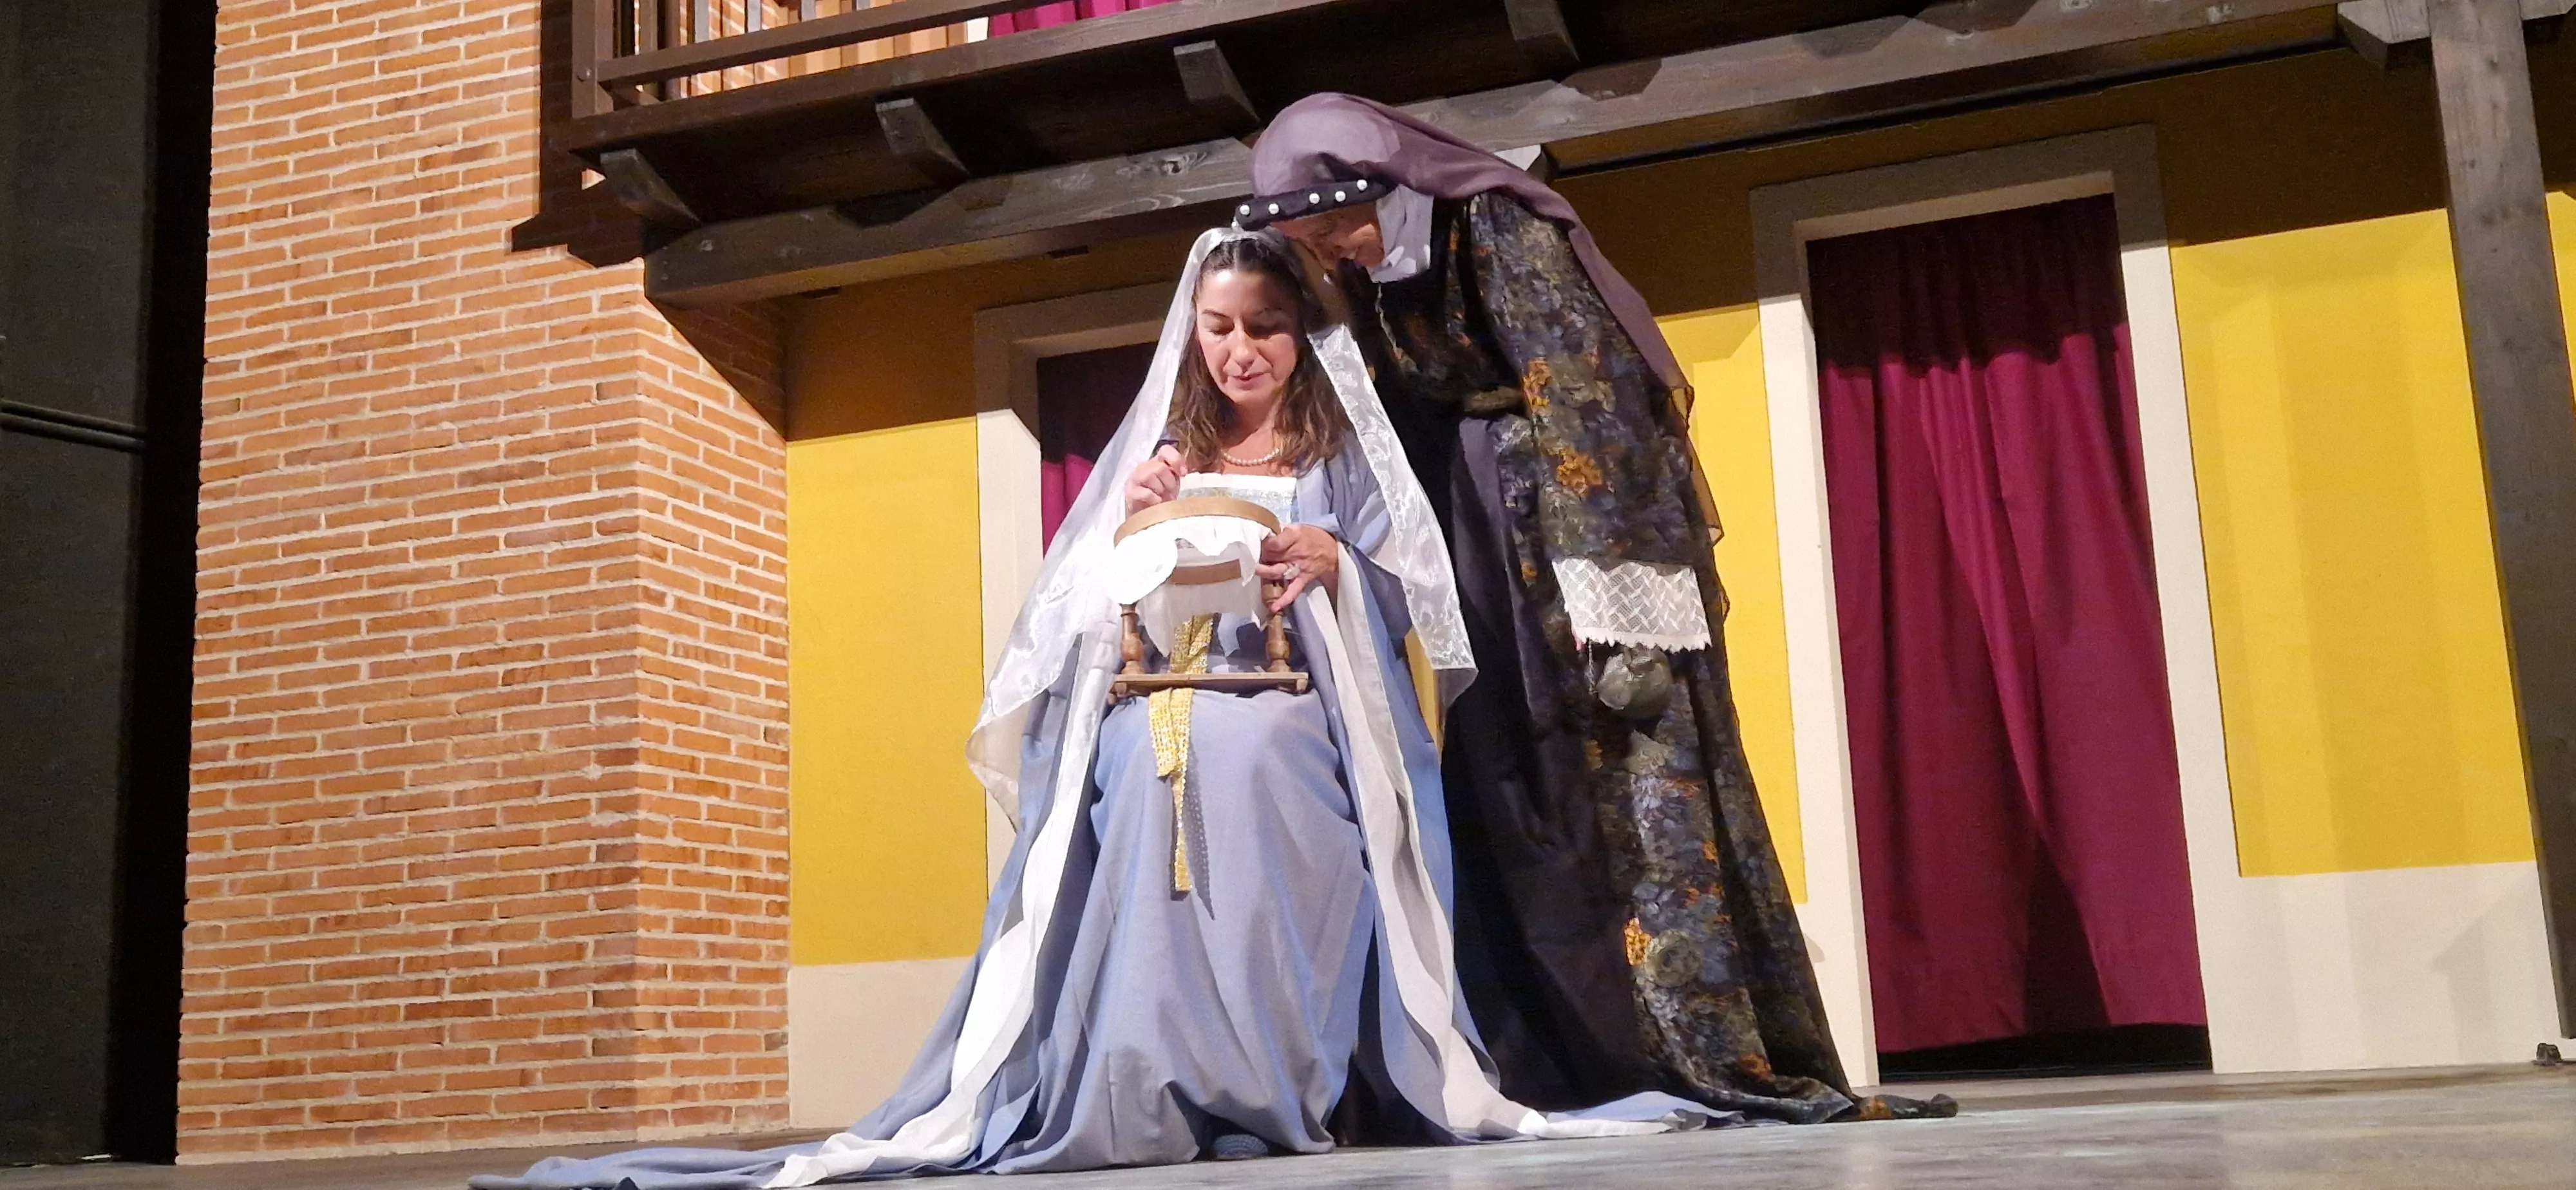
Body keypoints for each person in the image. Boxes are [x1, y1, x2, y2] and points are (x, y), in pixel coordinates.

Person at [470, 231, 1725, 1190]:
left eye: (1266, 330)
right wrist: (1137, 525)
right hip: (1165, 683)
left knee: (1247, 761)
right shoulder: (1162, 454)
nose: (1240, 353)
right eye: (1220, 331)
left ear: (1300, 334)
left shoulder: (1349, 456)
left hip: (1307, 698)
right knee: (1140, 768)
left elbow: (1423, 602)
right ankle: (1142, 1079)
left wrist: (1332, 565)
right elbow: (1085, 615)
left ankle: (1275, 1082)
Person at [1244, 93, 1949, 1124]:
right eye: (1308, 240)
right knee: (1509, 783)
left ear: (1382, 189)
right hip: (1471, 542)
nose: (1330, 253)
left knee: (1636, 786)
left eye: (1328, 229)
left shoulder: (1495, 224)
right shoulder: (1369, 279)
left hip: (1567, 543)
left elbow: (1592, 394)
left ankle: (1694, 1046)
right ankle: (1562, 1055)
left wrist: (1619, 601)